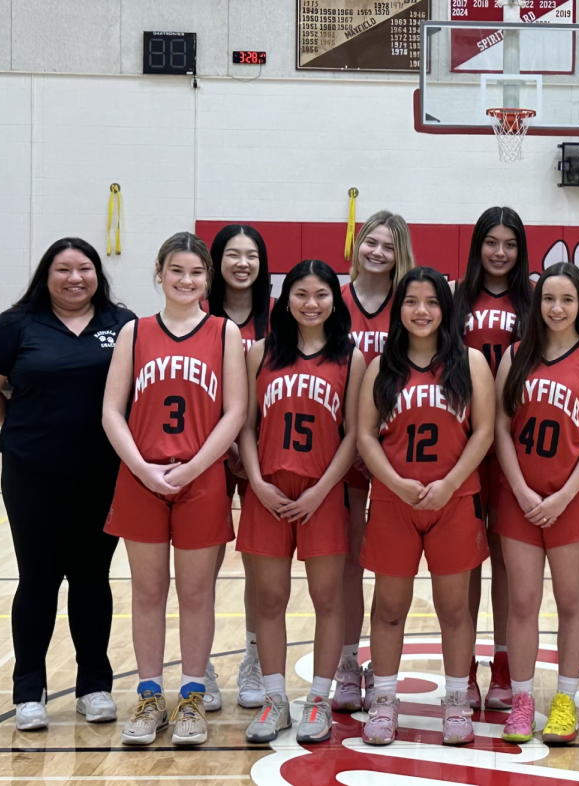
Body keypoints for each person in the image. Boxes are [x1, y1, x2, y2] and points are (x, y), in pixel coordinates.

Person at [0, 238, 134, 731]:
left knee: (91, 579)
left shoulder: (121, 325)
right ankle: (29, 691)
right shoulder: (16, 324)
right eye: (63, 269)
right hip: (32, 475)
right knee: (37, 579)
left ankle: (94, 687)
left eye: (85, 269)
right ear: (46, 275)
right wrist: (26, 434)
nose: (75, 278)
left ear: (98, 276)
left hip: (103, 474)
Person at [101, 232, 247, 747]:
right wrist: (142, 467)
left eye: (197, 273)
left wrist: (193, 468)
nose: (187, 281)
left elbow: (235, 412)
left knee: (196, 593)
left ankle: (189, 696)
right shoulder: (133, 333)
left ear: (208, 279)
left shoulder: (224, 332)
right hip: (141, 477)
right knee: (147, 592)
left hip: (200, 478)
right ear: (159, 272)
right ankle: (147, 696)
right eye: (177, 271)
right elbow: (112, 411)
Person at [357, 267, 495, 746]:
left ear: (446, 309)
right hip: (396, 501)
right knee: (390, 607)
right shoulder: (382, 366)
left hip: (453, 500)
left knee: (454, 608)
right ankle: (385, 702)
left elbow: (484, 431)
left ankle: (457, 703)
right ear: (399, 310)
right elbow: (365, 435)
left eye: (432, 302)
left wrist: (450, 481)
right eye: (411, 301)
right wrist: (393, 482)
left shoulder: (471, 362)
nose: (421, 311)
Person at [236, 260, 365, 745]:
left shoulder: (351, 359)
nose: (311, 304)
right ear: (285, 298)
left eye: (322, 295)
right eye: (301, 294)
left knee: (327, 600)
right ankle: (274, 700)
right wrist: (256, 481)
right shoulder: (261, 352)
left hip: (323, 495)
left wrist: (322, 489)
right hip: (266, 493)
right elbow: (245, 425)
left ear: (336, 300)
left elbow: (353, 435)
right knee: (269, 601)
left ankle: (317, 700)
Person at [494, 263, 579, 745]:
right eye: (549, 299)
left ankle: (565, 700)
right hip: (520, 499)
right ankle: (523, 701)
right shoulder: (515, 357)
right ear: (537, 304)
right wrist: (523, 490)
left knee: (571, 602)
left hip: (572, 498)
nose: (557, 308)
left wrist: (564, 494)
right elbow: (501, 430)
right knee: (522, 602)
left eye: (567, 299)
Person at [332, 211, 416, 714]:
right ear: (357, 243)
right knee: (346, 563)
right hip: (341, 449)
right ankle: (346, 662)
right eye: (370, 242)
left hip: (394, 451)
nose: (377, 252)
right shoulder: (333, 301)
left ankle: (379, 669)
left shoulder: (410, 304)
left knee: (385, 569)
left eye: (388, 245)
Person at [454, 206, 534, 710]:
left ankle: (503, 662)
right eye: (491, 242)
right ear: (477, 245)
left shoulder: (533, 302)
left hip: (513, 441)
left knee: (509, 561)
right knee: (464, 560)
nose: (500, 252)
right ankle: (462, 665)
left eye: (509, 243)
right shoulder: (457, 298)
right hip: (461, 440)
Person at [206, 223, 273, 711]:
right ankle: (200, 664)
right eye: (233, 254)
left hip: (258, 460)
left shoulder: (277, 320)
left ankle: (253, 658)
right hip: (207, 458)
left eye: (251, 255)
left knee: (259, 570)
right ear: (217, 262)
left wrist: (247, 452)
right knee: (201, 568)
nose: (242, 263)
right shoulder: (199, 317)